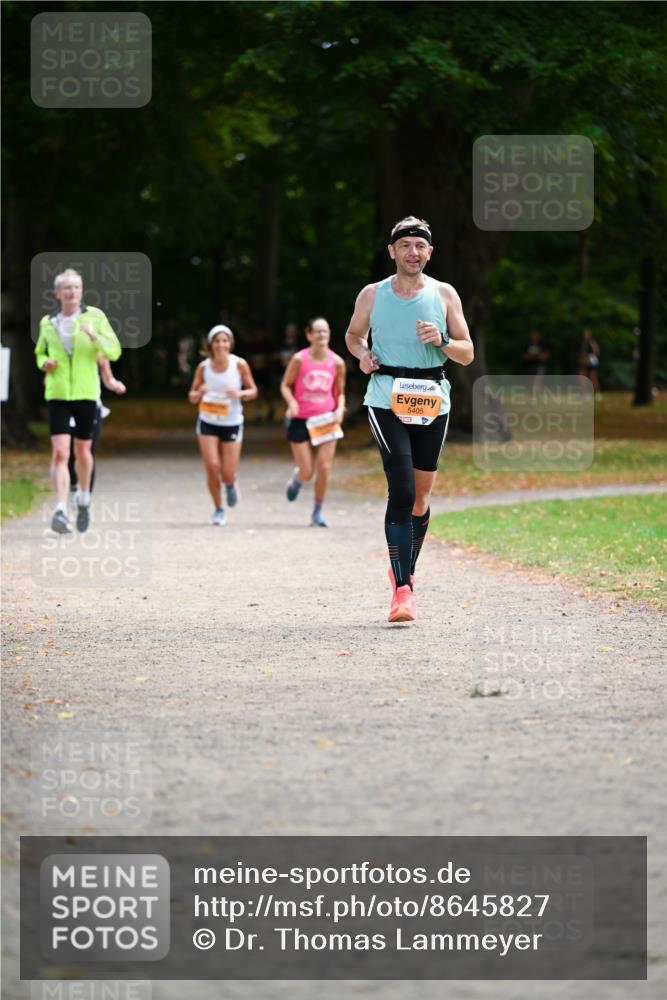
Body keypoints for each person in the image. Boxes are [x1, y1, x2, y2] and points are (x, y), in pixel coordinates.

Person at [345, 215, 474, 623]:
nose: (412, 252)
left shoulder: (445, 294)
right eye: (405, 245)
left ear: (429, 252)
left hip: (432, 399)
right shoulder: (372, 295)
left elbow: (467, 352)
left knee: (420, 497)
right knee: (400, 489)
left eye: (420, 246)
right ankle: (403, 590)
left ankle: (404, 570)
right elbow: (352, 335)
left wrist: (443, 340)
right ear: (392, 251)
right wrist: (363, 355)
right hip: (386, 396)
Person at [35, 268, 122, 534]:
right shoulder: (47, 323)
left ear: (81, 291)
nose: (72, 292)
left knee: (83, 452)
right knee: (61, 452)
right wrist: (45, 363)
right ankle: (61, 508)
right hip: (58, 393)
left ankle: (84, 498)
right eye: (67, 287)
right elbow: (39, 352)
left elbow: (114, 351)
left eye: (76, 287)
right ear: (57, 293)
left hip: (86, 394)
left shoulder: (94, 317)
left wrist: (96, 337)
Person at [188, 324, 258, 525]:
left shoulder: (239, 365)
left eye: (224, 340)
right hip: (208, 421)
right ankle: (218, 509)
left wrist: (240, 394)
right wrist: (199, 392)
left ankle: (230, 483)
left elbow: (253, 390)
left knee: (227, 472)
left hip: (232, 422)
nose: (221, 344)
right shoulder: (203, 367)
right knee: (212, 466)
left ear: (230, 343)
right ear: (211, 344)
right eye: (217, 341)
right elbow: (191, 397)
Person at [280, 316, 346, 527]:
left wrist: (339, 410)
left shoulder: (337, 363)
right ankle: (298, 479)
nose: (321, 335)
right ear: (308, 335)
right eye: (317, 331)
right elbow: (285, 385)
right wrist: (291, 403)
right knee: (308, 471)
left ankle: (317, 512)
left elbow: (340, 392)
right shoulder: (300, 359)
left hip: (325, 419)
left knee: (324, 467)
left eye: (324, 331)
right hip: (301, 419)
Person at [68, 356, 126, 500]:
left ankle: (85, 497)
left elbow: (108, 378)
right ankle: (74, 486)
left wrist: (116, 384)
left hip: (91, 406)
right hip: (66, 407)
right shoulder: (62, 347)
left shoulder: (97, 351)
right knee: (68, 453)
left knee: (87, 452)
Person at [578, 328, 602, 398]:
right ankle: (584, 394)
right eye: (585, 333)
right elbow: (581, 353)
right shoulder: (582, 343)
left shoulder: (592, 342)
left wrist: (589, 357)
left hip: (591, 362)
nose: (586, 335)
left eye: (587, 333)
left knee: (593, 378)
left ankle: (597, 393)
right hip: (584, 362)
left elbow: (596, 352)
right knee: (583, 379)